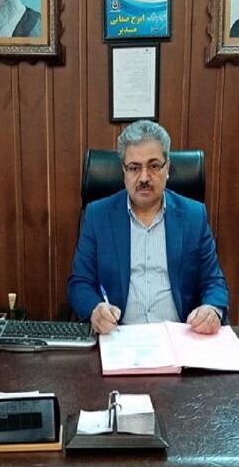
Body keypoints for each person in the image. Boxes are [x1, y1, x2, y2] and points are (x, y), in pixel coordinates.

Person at [67, 121, 229, 336]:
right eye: (134, 168)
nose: (143, 178)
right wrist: (94, 310)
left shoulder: (193, 215)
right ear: (124, 171)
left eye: (153, 166)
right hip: (118, 336)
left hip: (179, 337)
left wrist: (212, 309)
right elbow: (80, 282)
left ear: (167, 167)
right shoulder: (98, 215)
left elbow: (213, 280)